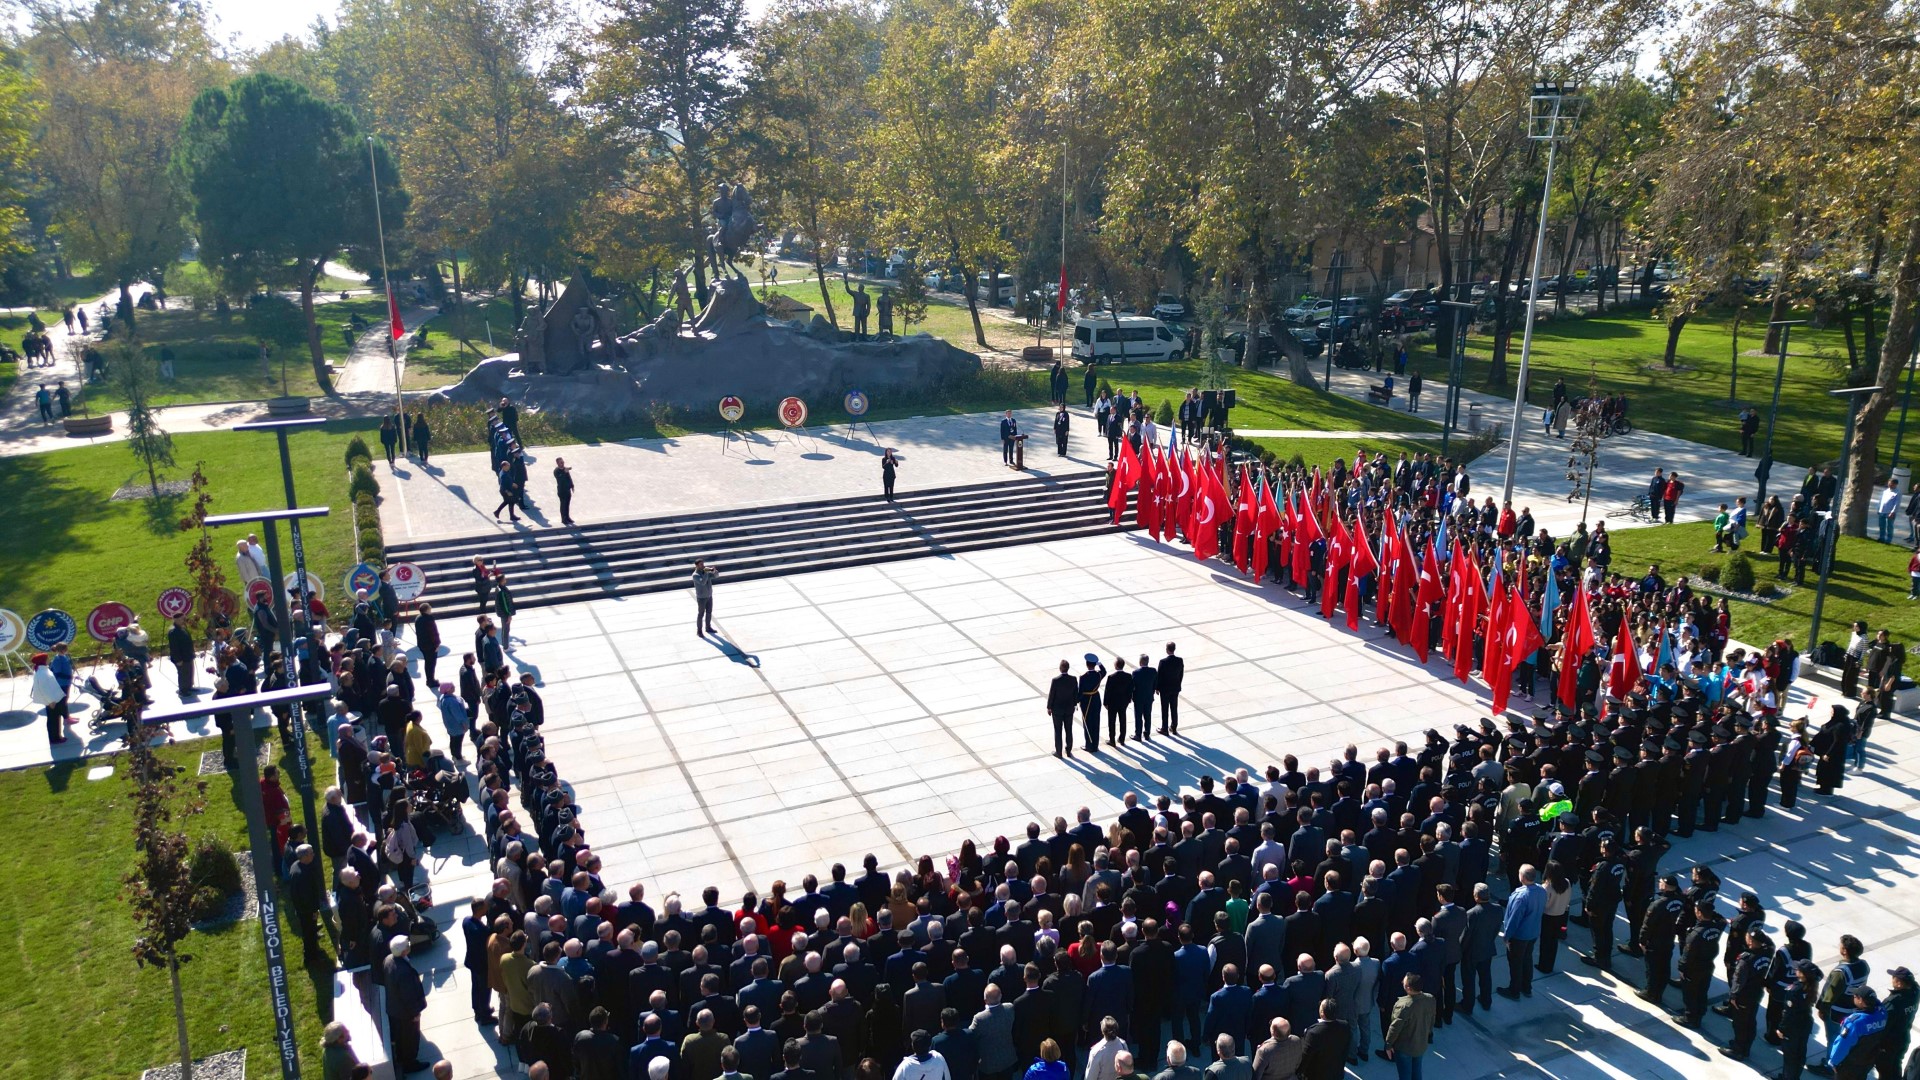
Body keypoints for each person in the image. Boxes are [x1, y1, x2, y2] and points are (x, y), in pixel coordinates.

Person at [385, 937, 430, 1073]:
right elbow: (408, 996)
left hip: (395, 1009)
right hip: (406, 1013)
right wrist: (415, 1014)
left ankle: (401, 1058)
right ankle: (410, 1064)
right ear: (404, 951)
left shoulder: (388, 960)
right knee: (410, 1039)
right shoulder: (404, 972)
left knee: (401, 1038)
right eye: (407, 945)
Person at [1498, 864, 1543, 999]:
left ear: (1522, 877)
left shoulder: (1520, 896)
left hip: (1519, 936)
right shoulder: (1541, 890)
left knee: (1516, 963)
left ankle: (1514, 990)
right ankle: (1526, 987)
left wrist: (1507, 936)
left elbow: (1514, 919)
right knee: (1527, 959)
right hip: (1533, 932)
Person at [1382, 973, 1435, 1080]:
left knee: (1405, 1076)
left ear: (1408, 988)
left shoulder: (1403, 1006)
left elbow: (1395, 1028)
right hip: (1420, 1044)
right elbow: (1431, 1019)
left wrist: (1388, 1044)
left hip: (1404, 1048)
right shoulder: (1430, 999)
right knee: (1417, 1072)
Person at [1046, 660, 1078, 758]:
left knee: (1058, 730)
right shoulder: (1073, 679)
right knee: (1069, 730)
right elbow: (1075, 694)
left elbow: (1052, 695)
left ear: (1060, 668)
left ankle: (1059, 752)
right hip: (1069, 709)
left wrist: (1049, 707)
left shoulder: (1055, 680)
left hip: (1057, 710)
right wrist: (1074, 704)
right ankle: (1068, 750)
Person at [1157, 643, 1184, 736]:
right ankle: (1174, 727)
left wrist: (1157, 688)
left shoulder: (1163, 662)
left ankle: (1164, 728)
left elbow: (1159, 676)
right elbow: (1181, 674)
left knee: (1165, 709)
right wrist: (1178, 683)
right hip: (1175, 688)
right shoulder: (1179, 660)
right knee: (1174, 708)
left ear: (1167, 649)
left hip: (1165, 689)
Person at [692, 559, 719, 636]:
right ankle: (699, 630)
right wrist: (706, 573)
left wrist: (714, 571)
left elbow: (716, 576)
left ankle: (708, 627)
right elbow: (703, 582)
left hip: (709, 596)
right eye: (701, 564)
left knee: (709, 612)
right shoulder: (695, 575)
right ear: (696, 566)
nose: (703, 566)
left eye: (703, 564)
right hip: (701, 598)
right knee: (701, 614)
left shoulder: (705, 572)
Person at [1878, 479, 1902, 544]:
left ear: (1895, 484)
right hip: (1882, 510)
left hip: (1890, 512)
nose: (1889, 485)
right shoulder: (1886, 491)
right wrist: (1878, 508)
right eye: (1889, 483)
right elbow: (1881, 500)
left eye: (1891, 484)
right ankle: (1881, 537)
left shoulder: (1897, 492)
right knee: (1881, 525)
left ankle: (1888, 539)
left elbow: (1897, 503)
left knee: (1889, 526)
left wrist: (1893, 512)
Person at [554, 458, 576, 526]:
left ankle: (567, 517)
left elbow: (569, 478)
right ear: (557, 463)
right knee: (563, 505)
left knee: (567, 504)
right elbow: (560, 480)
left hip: (567, 490)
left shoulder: (565, 469)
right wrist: (564, 472)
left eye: (563, 462)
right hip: (562, 490)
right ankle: (563, 519)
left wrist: (572, 485)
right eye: (561, 462)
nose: (563, 463)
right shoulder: (556, 471)